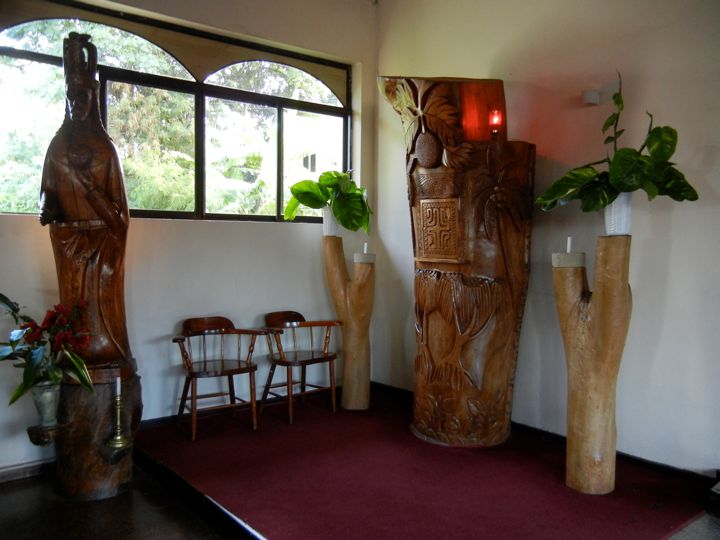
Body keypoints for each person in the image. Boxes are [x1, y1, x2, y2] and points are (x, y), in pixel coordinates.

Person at [40, 32, 133, 371]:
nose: (76, 103)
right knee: (74, 307)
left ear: (93, 100)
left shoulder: (106, 149)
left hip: (102, 241)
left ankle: (109, 354)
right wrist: (46, 207)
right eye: (71, 96)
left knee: (102, 305)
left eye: (82, 96)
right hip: (68, 241)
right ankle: (75, 360)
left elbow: (120, 216)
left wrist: (89, 183)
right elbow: (48, 189)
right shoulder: (57, 146)